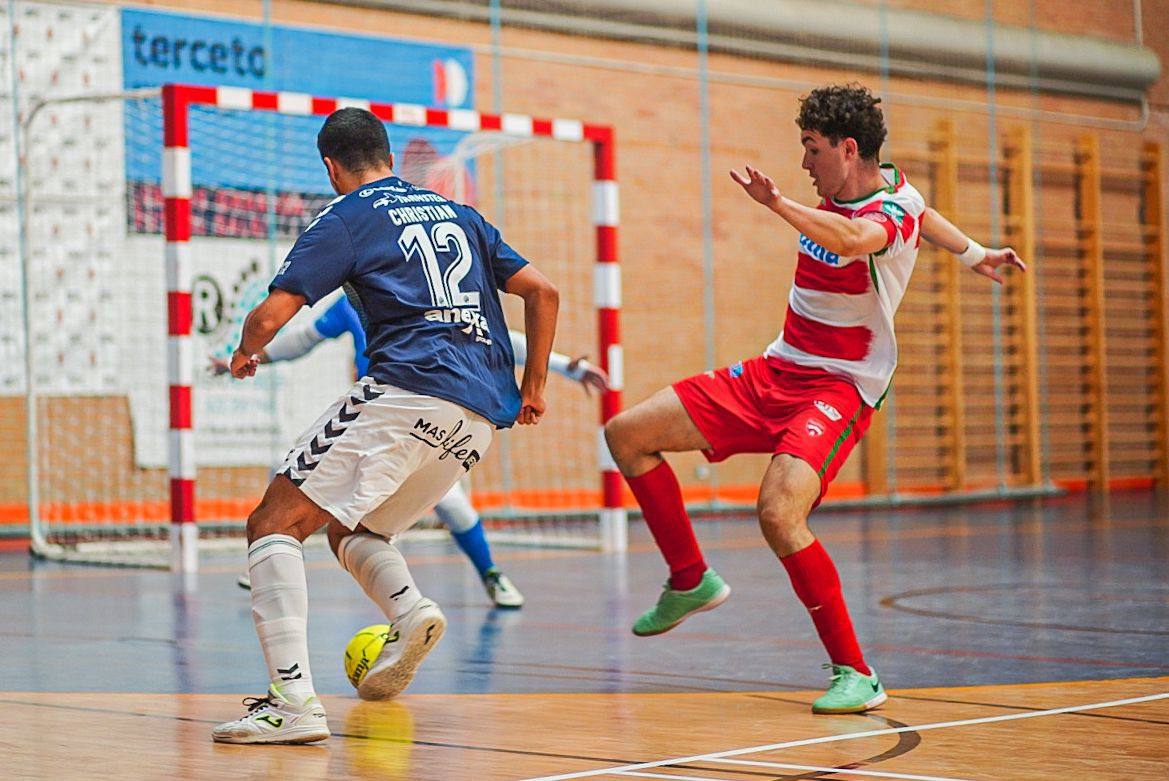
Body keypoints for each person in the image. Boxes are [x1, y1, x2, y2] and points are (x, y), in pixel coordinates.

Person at [603, 83, 1025, 716]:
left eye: (812, 149)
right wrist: (973, 253)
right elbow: (926, 210)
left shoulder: (882, 213)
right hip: (780, 367)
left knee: (778, 514)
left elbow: (861, 239)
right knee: (627, 433)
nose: (805, 163)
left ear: (847, 150)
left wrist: (777, 203)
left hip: (841, 385)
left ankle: (857, 673)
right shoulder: (893, 191)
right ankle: (689, 579)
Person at [212, 106, 558, 744]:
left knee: (271, 521)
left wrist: (244, 351)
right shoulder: (460, 213)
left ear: (331, 166)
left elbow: (271, 316)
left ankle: (291, 703)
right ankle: (409, 611)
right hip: (479, 416)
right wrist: (532, 385)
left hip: (406, 392)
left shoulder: (345, 218)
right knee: (354, 529)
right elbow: (543, 292)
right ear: (389, 155)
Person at [218, 298, 608, 608]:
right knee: (299, 475)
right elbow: (305, 338)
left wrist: (562, 367)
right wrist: (255, 355)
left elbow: (503, 337)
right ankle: (274, 558)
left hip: (427, 410)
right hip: (376, 413)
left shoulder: (427, 294)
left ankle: (487, 574)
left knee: (450, 507)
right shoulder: (351, 301)